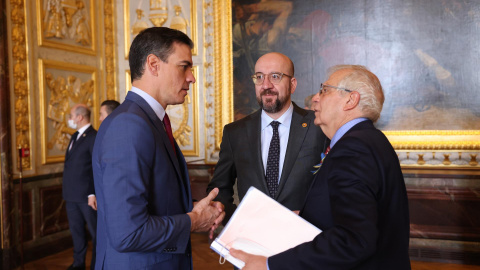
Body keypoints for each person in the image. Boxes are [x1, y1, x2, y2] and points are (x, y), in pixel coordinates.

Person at [230, 65, 411, 270]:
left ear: (351, 100)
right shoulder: (369, 140)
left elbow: (354, 240)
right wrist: (306, 216)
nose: (314, 98)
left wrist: (269, 264)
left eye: (324, 90)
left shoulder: (354, 148)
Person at [92, 27, 225, 270]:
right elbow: (128, 233)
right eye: (184, 66)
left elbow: (156, 199)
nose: (191, 77)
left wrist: (194, 209)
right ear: (153, 64)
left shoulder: (147, 121)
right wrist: (193, 221)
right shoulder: (130, 125)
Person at [207, 52, 329, 223]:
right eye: (259, 77)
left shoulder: (319, 126)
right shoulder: (235, 132)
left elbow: (334, 187)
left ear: (292, 84)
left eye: (275, 76)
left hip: (306, 239)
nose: (266, 85)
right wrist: (235, 221)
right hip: (251, 240)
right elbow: (220, 188)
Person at [63, 104, 97, 270]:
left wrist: (92, 193)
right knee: (76, 232)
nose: (69, 119)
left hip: (86, 196)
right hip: (71, 195)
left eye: (71, 116)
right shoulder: (74, 136)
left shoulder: (93, 136)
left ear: (80, 117)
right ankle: (78, 264)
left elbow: (95, 167)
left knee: (96, 233)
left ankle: (97, 265)